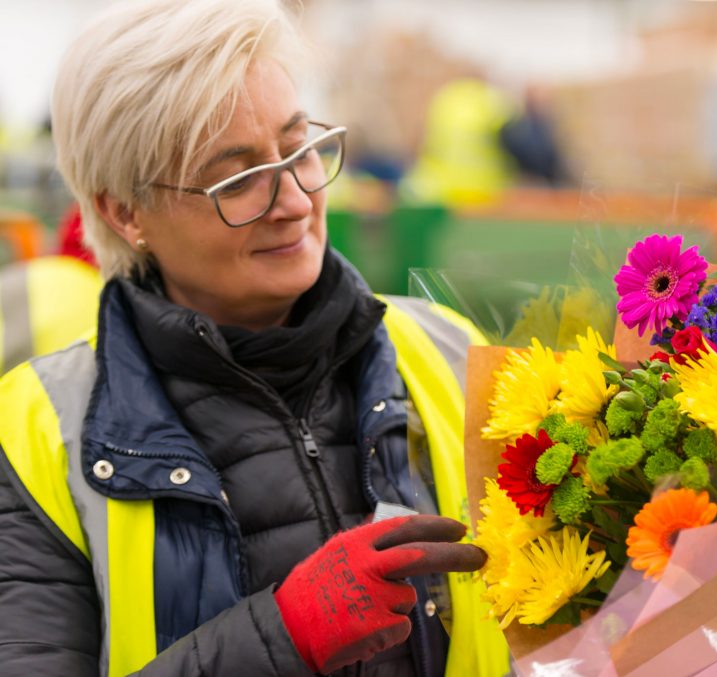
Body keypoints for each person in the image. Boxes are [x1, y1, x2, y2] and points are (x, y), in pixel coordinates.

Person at [0, 1, 508, 675]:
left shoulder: (449, 349)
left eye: (300, 148)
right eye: (238, 179)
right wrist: (280, 636)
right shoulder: (38, 435)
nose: (296, 198)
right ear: (124, 211)